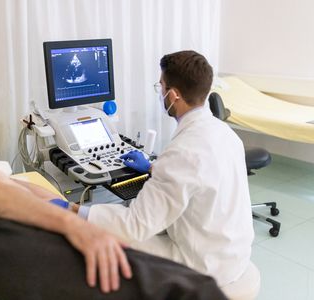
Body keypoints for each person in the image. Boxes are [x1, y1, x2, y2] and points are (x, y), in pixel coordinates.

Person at [0, 145, 226, 299]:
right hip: (0, 246)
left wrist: (67, 208)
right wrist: (81, 228)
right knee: (187, 290)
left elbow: (22, 194)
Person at [73, 50, 254, 288]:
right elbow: (199, 174)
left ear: (174, 95)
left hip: (202, 264)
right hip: (232, 253)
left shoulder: (185, 150)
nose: (160, 94)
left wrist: (77, 211)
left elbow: (134, 225)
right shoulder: (225, 133)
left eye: (161, 87)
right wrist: (151, 167)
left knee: (112, 237)